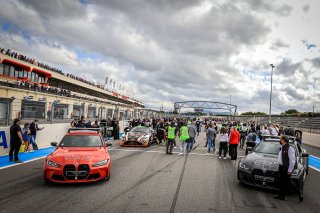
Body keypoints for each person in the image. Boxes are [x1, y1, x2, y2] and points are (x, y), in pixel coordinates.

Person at [274, 135, 303, 202]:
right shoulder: (282, 146)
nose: (280, 140)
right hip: (281, 167)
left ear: (283, 140)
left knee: (288, 182)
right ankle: (281, 196)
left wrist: (290, 170)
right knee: (281, 182)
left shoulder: (290, 148)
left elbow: (292, 160)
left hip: (286, 168)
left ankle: (299, 194)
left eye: (280, 139)